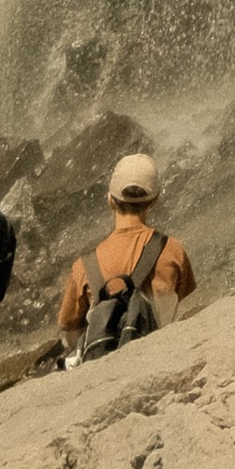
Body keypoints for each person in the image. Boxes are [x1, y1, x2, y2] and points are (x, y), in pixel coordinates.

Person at [57, 154, 196, 359]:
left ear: (110, 200)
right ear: (155, 201)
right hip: (160, 355)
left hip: (103, 362)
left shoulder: (84, 266)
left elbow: (68, 327)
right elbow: (181, 295)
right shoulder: (172, 250)